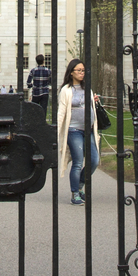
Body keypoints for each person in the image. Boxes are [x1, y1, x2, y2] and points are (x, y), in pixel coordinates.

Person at [53, 58, 102, 205]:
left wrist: (94, 100)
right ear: (72, 73)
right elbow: (61, 112)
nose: (82, 73)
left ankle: (80, 186)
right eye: (79, 70)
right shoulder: (66, 90)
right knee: (78, 162)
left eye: (83, 70)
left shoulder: (87, 88)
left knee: (94, 160)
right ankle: (75, 193)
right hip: (74, 130)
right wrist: (56, 131)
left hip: (89, 130)